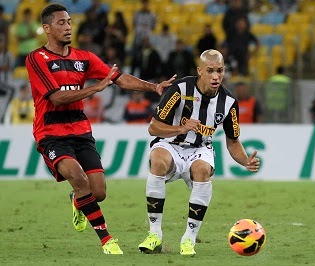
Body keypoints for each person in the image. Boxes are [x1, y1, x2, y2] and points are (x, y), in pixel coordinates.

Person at [25, 4, 175, 255]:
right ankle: (107, 240)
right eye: (61, 22)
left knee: (98, 192)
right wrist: (96, 88)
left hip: (80, 130)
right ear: (47, 28)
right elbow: (57, 98)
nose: (68, 26)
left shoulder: (83, 58)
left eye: (70, 21)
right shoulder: (37, 59)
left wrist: (154, 87)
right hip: (51, 133)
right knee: (78, 178)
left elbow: (119, 78)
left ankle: (77, 200)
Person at [137, 49, 260, 256]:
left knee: (202, 170)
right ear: (200, 71)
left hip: (200, 148)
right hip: (170, 142)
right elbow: (153, 128)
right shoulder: (180, 88)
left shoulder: (228, 103)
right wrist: (181, 129)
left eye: (220, 71)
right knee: (158, 160)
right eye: (210, 70)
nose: (215, 76)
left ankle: (189, 239)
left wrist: (245, 160)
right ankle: (154, 234)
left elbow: (233, 141)